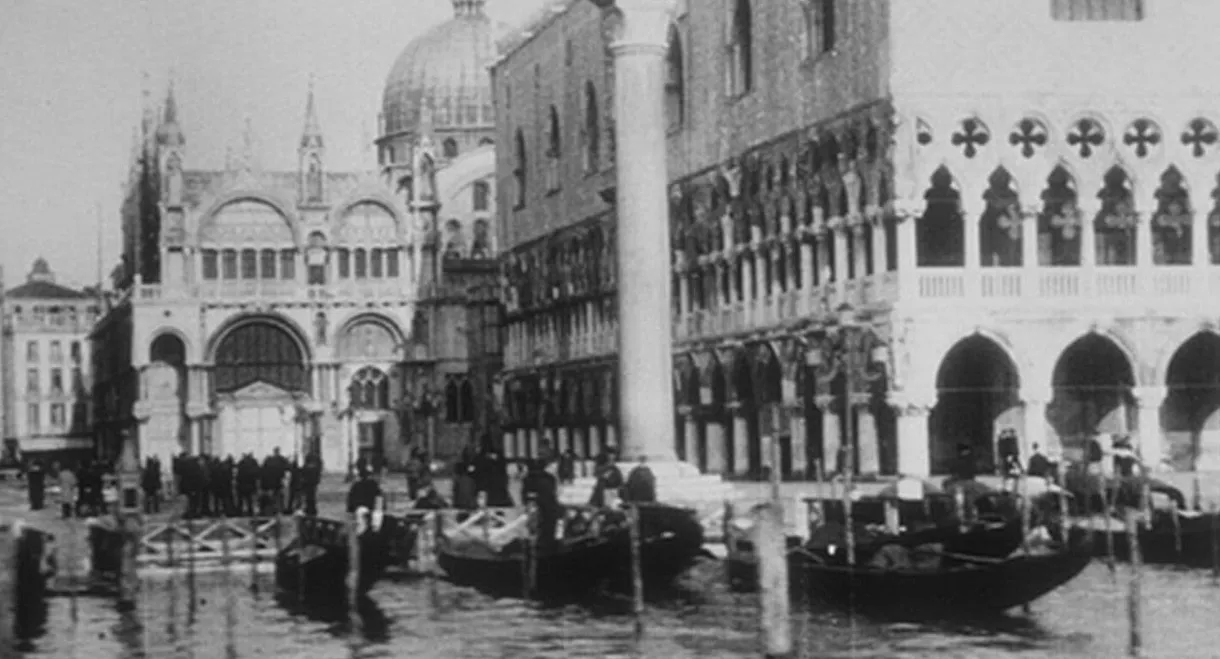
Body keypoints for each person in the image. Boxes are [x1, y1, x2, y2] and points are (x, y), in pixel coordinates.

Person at [521, 459, 562, 547]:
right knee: (549, 534)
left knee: (540, 534)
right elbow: (554, 492)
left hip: (540, 509)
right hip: (551, 508)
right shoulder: (550, 477)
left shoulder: (528, 479)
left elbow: (525, 497)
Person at [236, 452, 260, 517]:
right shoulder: (253, 464)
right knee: (249, 500)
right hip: (250, 486)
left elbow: (238, 476)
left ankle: (239, 513)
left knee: (241, 501)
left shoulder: (241, 463)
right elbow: (256, 474)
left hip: (241, 486)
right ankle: (250, 513)